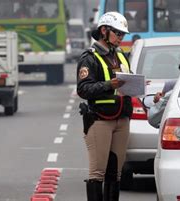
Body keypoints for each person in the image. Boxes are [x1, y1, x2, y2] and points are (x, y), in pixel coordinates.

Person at [77, 11, 132, 201]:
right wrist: (109, 85)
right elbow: (83, 89)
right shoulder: (89, 58)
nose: (120, 38)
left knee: (115, 174)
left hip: (122, 120)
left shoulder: (121, 55)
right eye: (118, 33)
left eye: (123, 34)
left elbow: (128, 79)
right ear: (104, 31)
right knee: (97, 173)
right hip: (100, 120)